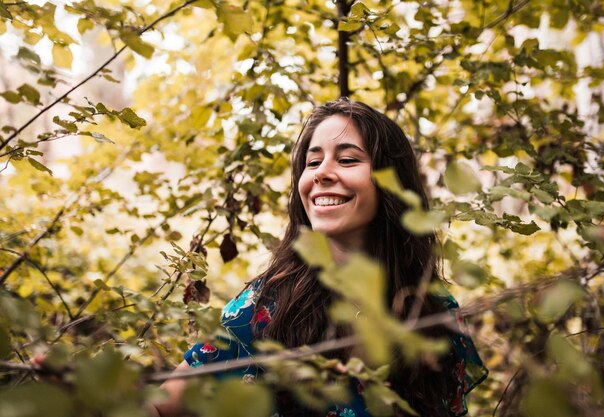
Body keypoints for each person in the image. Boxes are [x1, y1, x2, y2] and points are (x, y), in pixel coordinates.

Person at [148, 98, 487, 417]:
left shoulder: (435, 311)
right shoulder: (265, 307)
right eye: (312, 162)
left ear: (391, 181)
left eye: (348, 159)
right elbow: (161, 409)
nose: (321, 173)